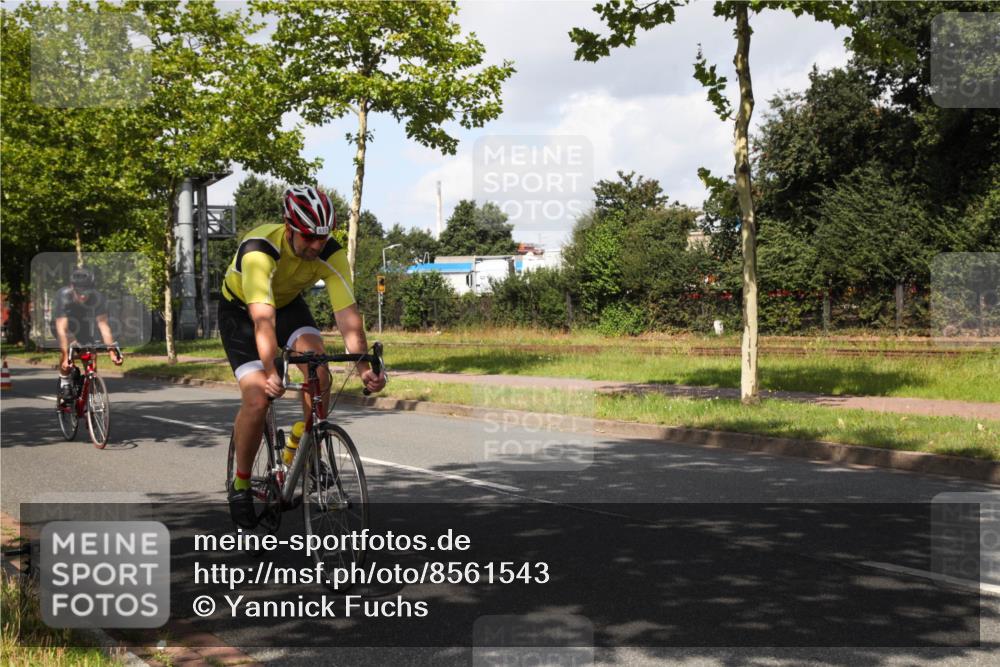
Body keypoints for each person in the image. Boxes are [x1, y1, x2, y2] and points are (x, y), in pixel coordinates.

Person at [220, 185, 386, 528]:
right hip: (242, 312)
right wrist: (271, 370)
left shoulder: (331, 253)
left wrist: (364, 368)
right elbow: (262, 320)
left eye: (321, 239)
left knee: (318, 367)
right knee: (257, 398)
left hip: (288, 305)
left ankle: (306, 443)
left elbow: (347, 315)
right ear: (288, 226)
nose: (315, 246)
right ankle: (240, 484)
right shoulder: (259, 251)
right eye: (308, 237)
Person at [53, 267, 124, 404]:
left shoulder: (98, 298)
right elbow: (62, 330)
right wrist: (66, 356)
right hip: (62, 324)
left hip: (82, 324)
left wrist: (111, 351)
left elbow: (103, 325)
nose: (84, 296)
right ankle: (65, 382)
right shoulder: (63, 296)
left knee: (91, 354)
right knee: (69, 348)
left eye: (87, 292)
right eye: (80, 292)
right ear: (72, 287)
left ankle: (91, 392)